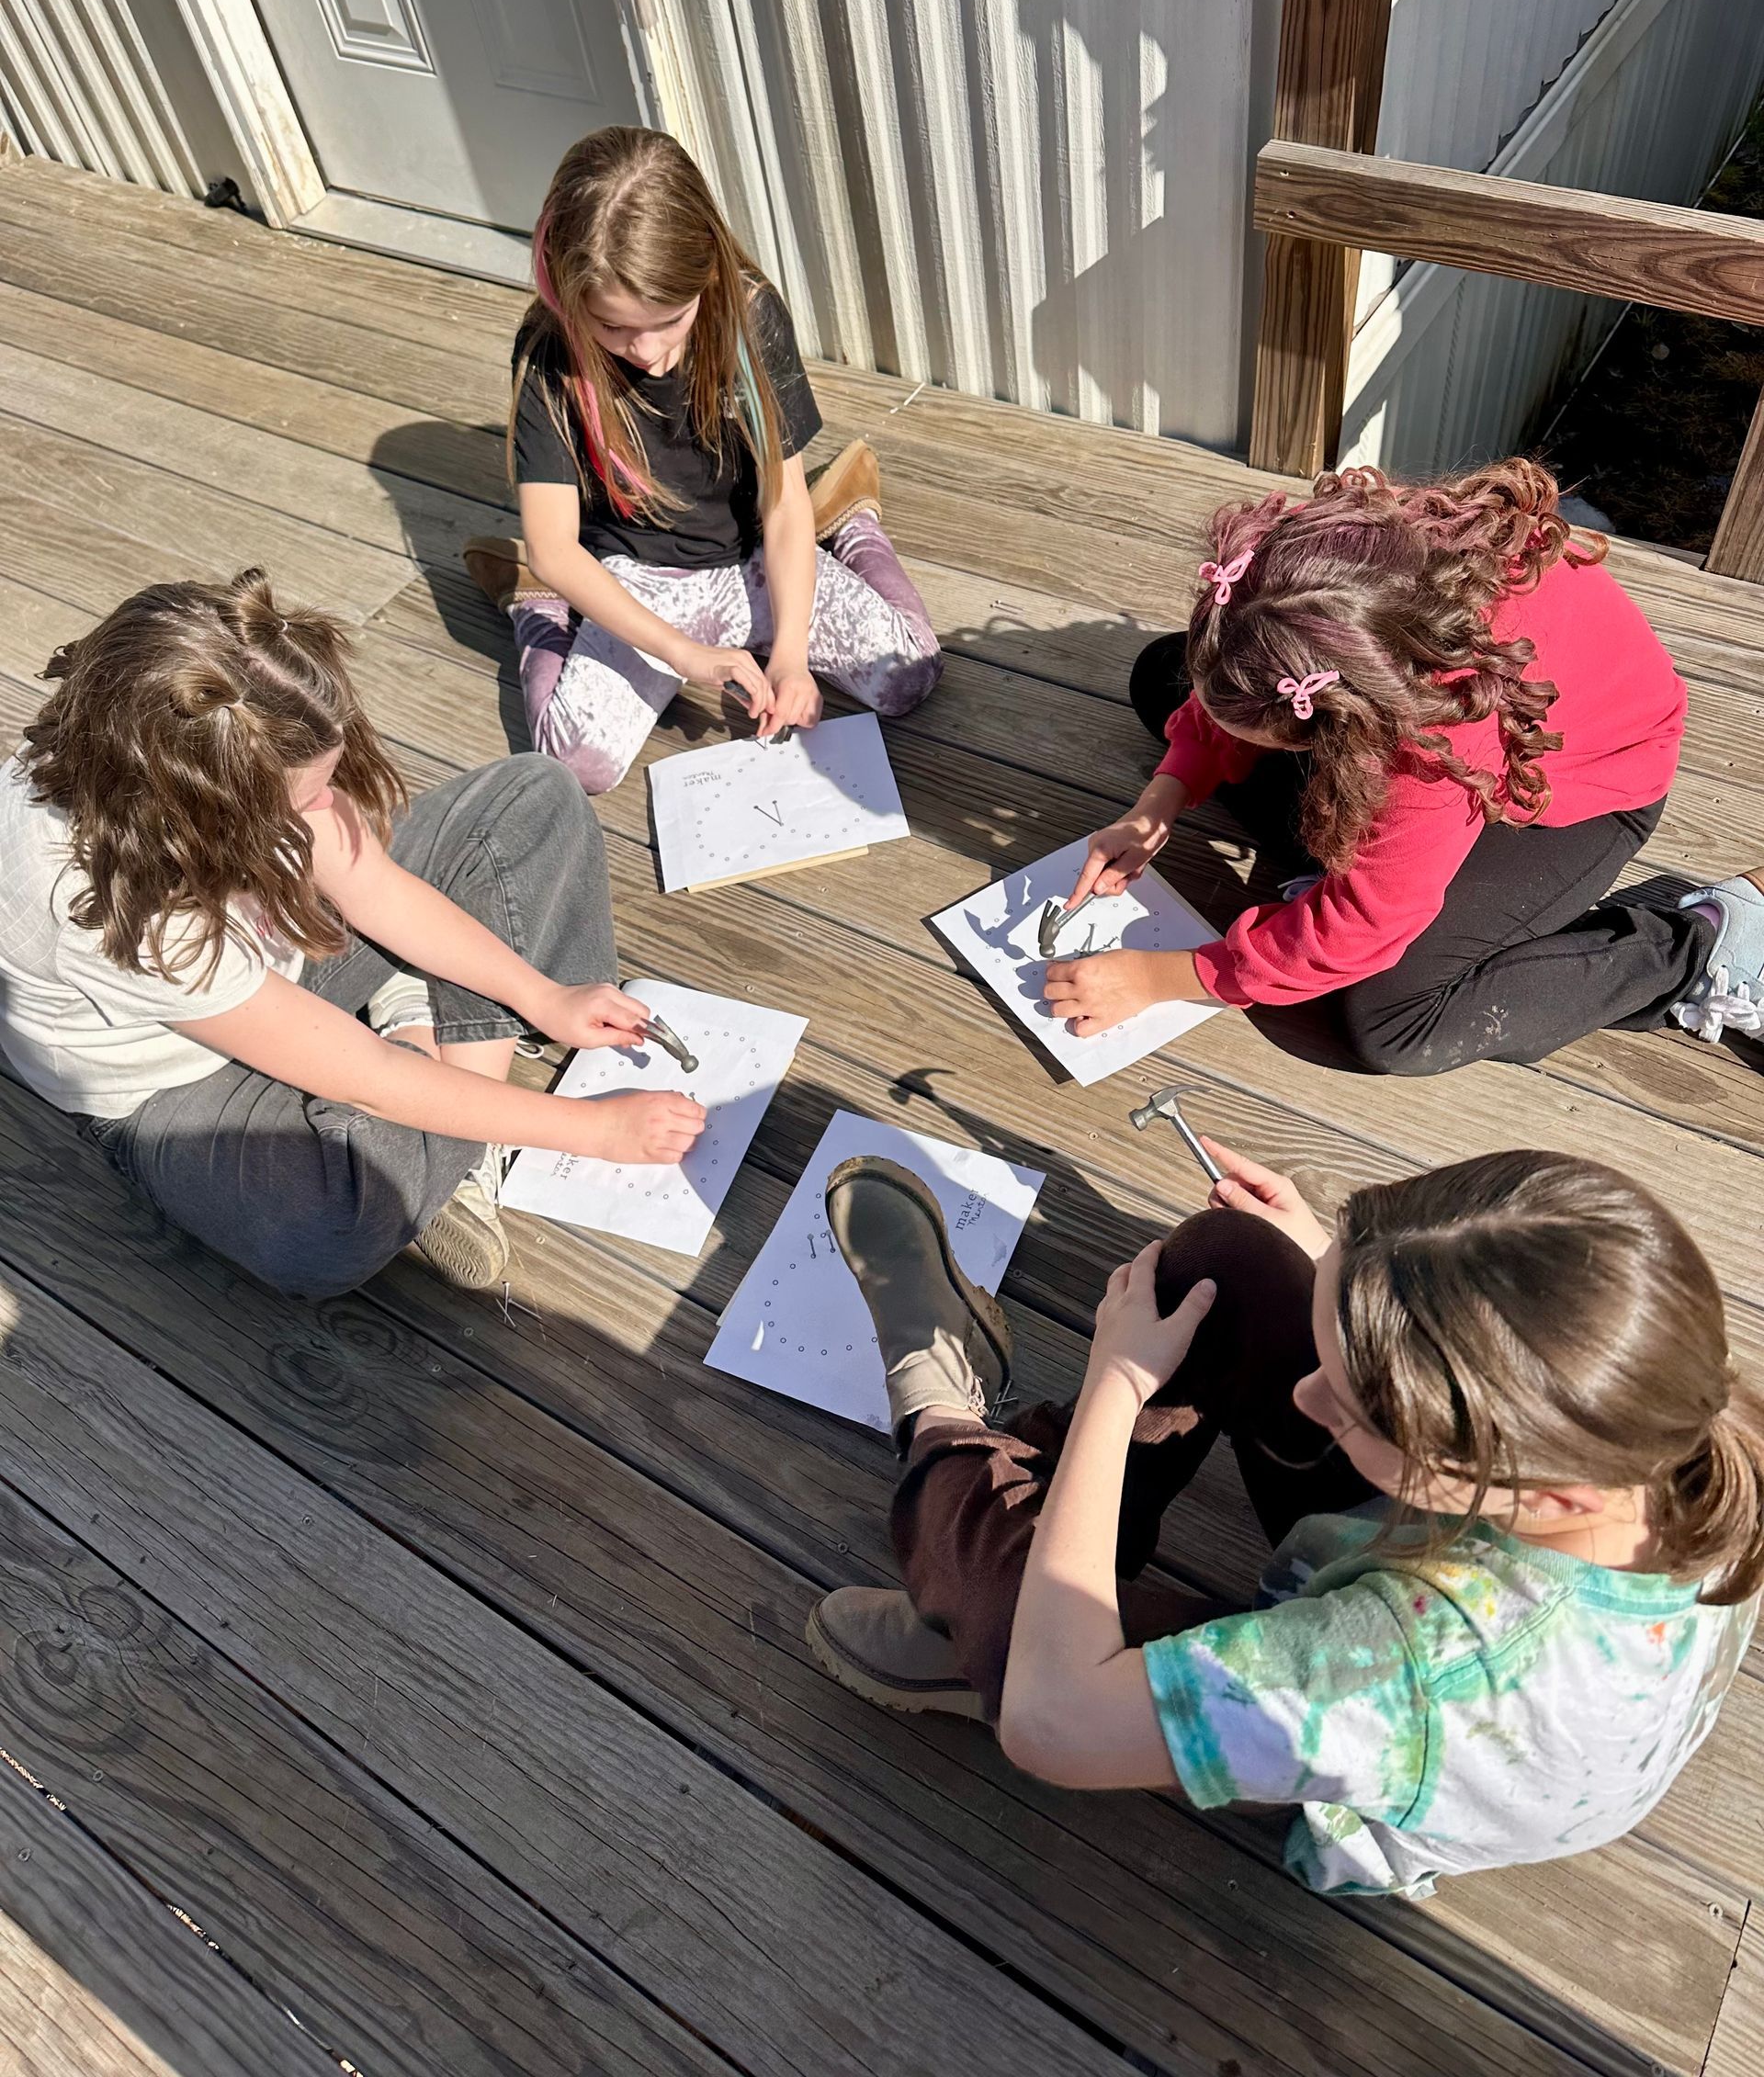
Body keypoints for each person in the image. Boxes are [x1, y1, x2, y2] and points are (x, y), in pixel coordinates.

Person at [805, 1144, 1763, 1898]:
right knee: (1231, 1268)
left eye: (1348, 1406)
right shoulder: (1663, 1417)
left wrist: (1115, 1385)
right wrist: (1339, 1268)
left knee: (1019, 1647)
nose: (1305, 1401)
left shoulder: (1406, 1671)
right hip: (1425, 1596)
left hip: (1363, 1755)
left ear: (1545, 1491)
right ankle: (1027, 1570)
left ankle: (938, 1425)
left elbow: (1052, 1729)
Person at [0, 570, 705, 1300]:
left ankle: (432, 1064)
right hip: (174, 1081)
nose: (325, 806)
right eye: (303, 800)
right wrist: (592, 1133)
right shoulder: (108, 910)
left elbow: (372, 887)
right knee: (324, 1233)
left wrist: (544, 994)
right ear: (206, 809)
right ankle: (443, 1063)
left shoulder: (166, 734)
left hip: (282, 959)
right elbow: (370, 1079)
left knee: (537, 795)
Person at [1046, 459, 1764, 1072]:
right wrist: (1158, 803)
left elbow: (1360, 929)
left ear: (1348, 728)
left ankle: (1693, 944)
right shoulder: (1322, 568)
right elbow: (1238, 682)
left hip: (1583, 790)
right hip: (1416, 726)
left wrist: (1166, 975)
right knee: (1165, 674)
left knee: (1387, 1020)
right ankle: (1380, 857)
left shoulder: (1432, 745)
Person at [463, 125, 943, 794]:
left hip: (754, 557)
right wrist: (685, 655)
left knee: (909, 674)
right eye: (613, 328)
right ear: (569, 298)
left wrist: (795, 659)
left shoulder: (748, 317)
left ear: (707, 273)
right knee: (576, 764)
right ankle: (534, 608)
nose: (648, 351)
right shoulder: (549, 352)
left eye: (669, 319)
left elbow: (781, 504)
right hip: (640, 580)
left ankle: (853, 523)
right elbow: (554, 547)